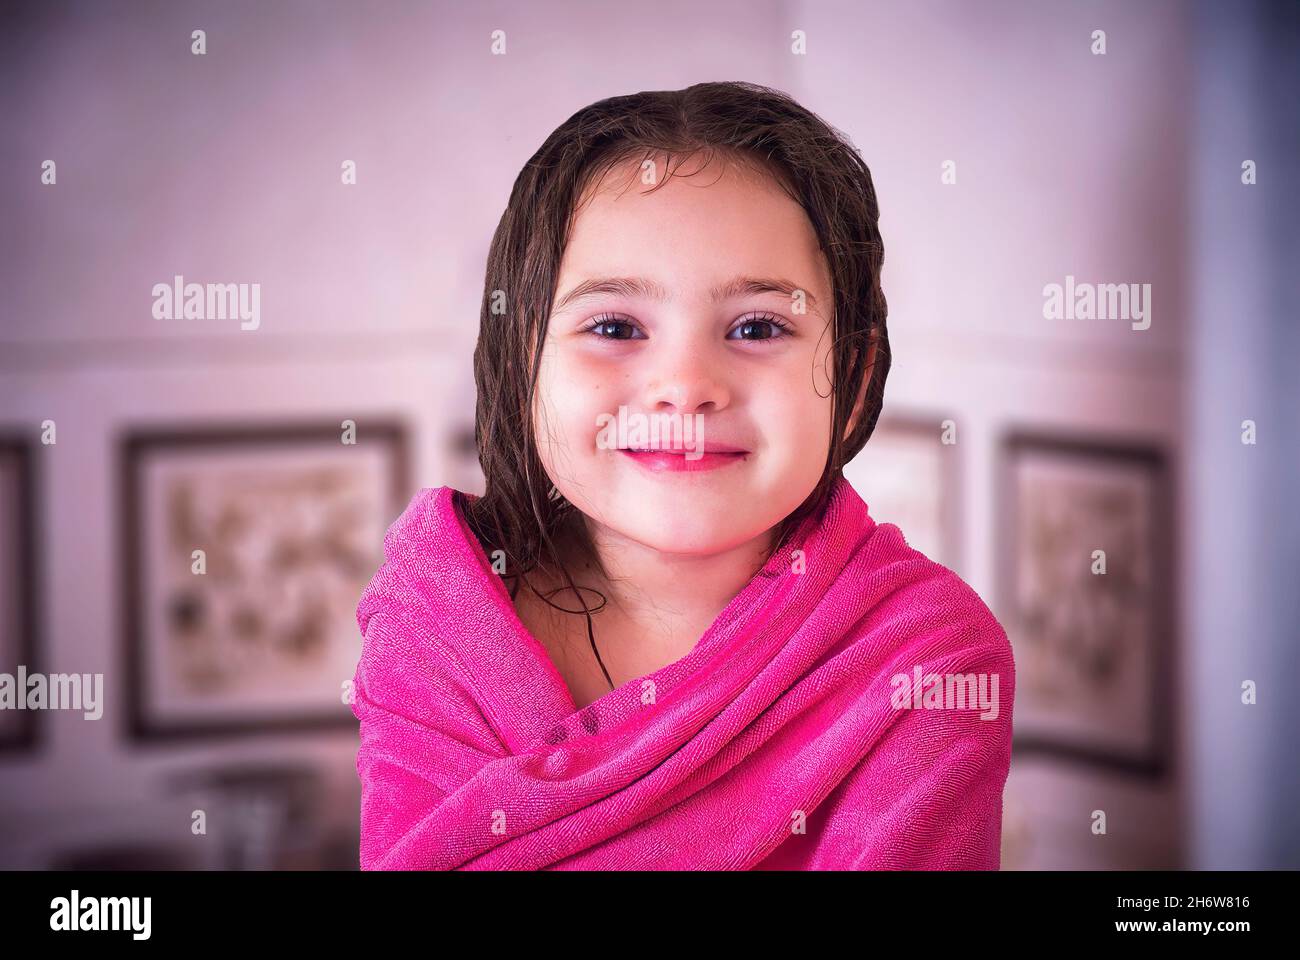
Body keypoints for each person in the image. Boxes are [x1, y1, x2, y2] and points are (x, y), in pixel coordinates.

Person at [351, 80, 1015, 870]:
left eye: (758, 326)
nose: (685, 383)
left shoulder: (925, 661)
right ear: (520, 366)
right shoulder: (434, 619)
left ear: (856, 379)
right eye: (614, 327)